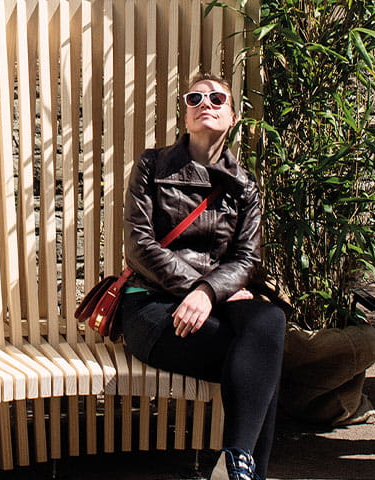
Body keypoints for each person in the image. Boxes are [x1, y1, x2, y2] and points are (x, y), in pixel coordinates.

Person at [119, 72, 285, 480]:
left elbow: (247, 258)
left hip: (214, 300)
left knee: (271, 321)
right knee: (262, 354)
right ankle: (243, 470)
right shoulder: (151, 165)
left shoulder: (245, 186)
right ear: (185, 114)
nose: (205, 104)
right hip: (153, 306)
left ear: (232, 117)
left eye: (216, 98)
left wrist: (209, 292)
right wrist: (199, 289)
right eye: (195, 98)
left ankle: (234, 463)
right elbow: (140, 246)